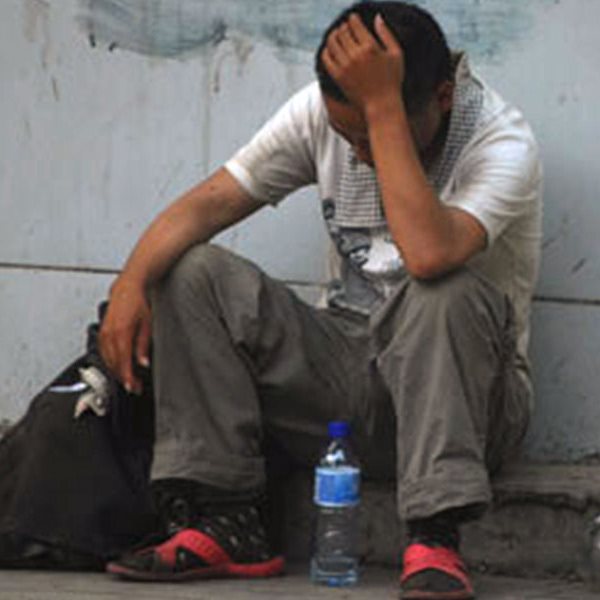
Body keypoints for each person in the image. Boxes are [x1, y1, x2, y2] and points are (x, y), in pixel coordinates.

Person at [98, 2, 542, 598]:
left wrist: (381, 111)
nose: (359, 153)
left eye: (372, 133)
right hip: (348, 377)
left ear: (441, 97)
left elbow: (429, 254)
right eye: (346, 135)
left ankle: (434, 538)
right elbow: (207, 205)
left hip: (470, 405)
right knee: (190, 271)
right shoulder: (320, 114)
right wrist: (131, 283)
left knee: (446, 290)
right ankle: (228, 520)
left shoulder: (500, 139)